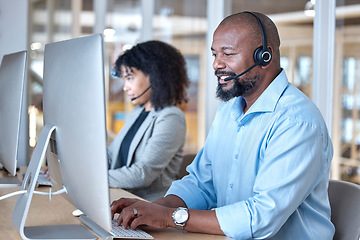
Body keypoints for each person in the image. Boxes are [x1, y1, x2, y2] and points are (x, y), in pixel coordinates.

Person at [110, 12, 335, 240]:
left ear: (264, 57)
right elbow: (201, 183)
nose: (217, 64)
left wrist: (170, 217)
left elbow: (261, 217)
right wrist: (152, 210)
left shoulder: (297, 122)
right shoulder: (229, 111)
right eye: (215, 54)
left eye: (228, 54)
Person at [107, 40, 189, 202]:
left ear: (154, 75)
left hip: (150, 207)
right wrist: (74, 171)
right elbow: (111, 155)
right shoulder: (137, 112)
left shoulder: (171, 117)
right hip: (120, 199)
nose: (125, 87)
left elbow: (143, 173)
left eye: (129, 78)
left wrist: (92, 178)